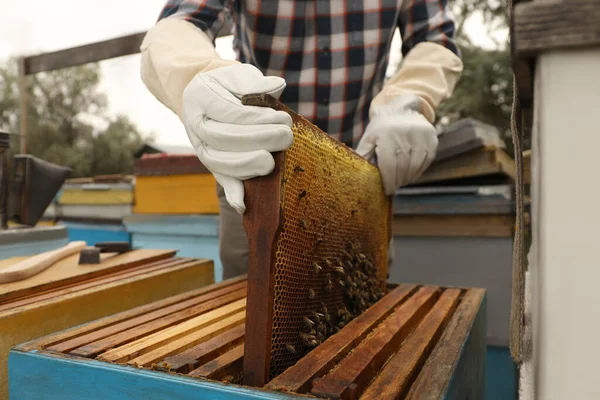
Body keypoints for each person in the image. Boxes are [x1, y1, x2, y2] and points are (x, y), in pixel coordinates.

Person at [140, 0, 463, 280]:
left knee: (357, 304)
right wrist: (195, 73)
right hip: (257, 172)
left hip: (359, 179)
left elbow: (435, 39)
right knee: (245, 307)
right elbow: (180, 21)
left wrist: (410, 96)